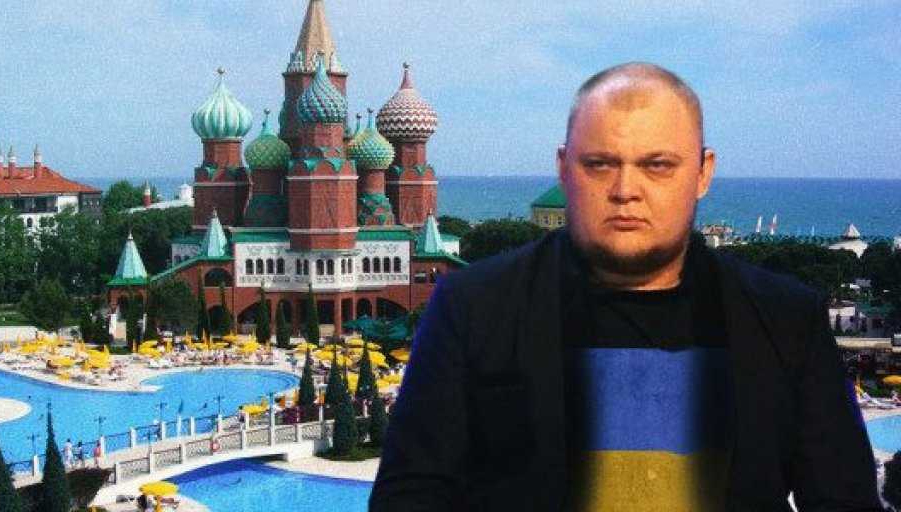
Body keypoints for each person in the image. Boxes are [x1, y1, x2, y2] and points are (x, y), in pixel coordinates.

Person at [370, 62, 882, 510]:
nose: (625, 190)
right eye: (600, 164)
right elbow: (412, 494)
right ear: (564, 169)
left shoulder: (785, 318)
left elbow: (843, 499)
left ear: (703, 173)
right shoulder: (474, 307)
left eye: (657, 165)